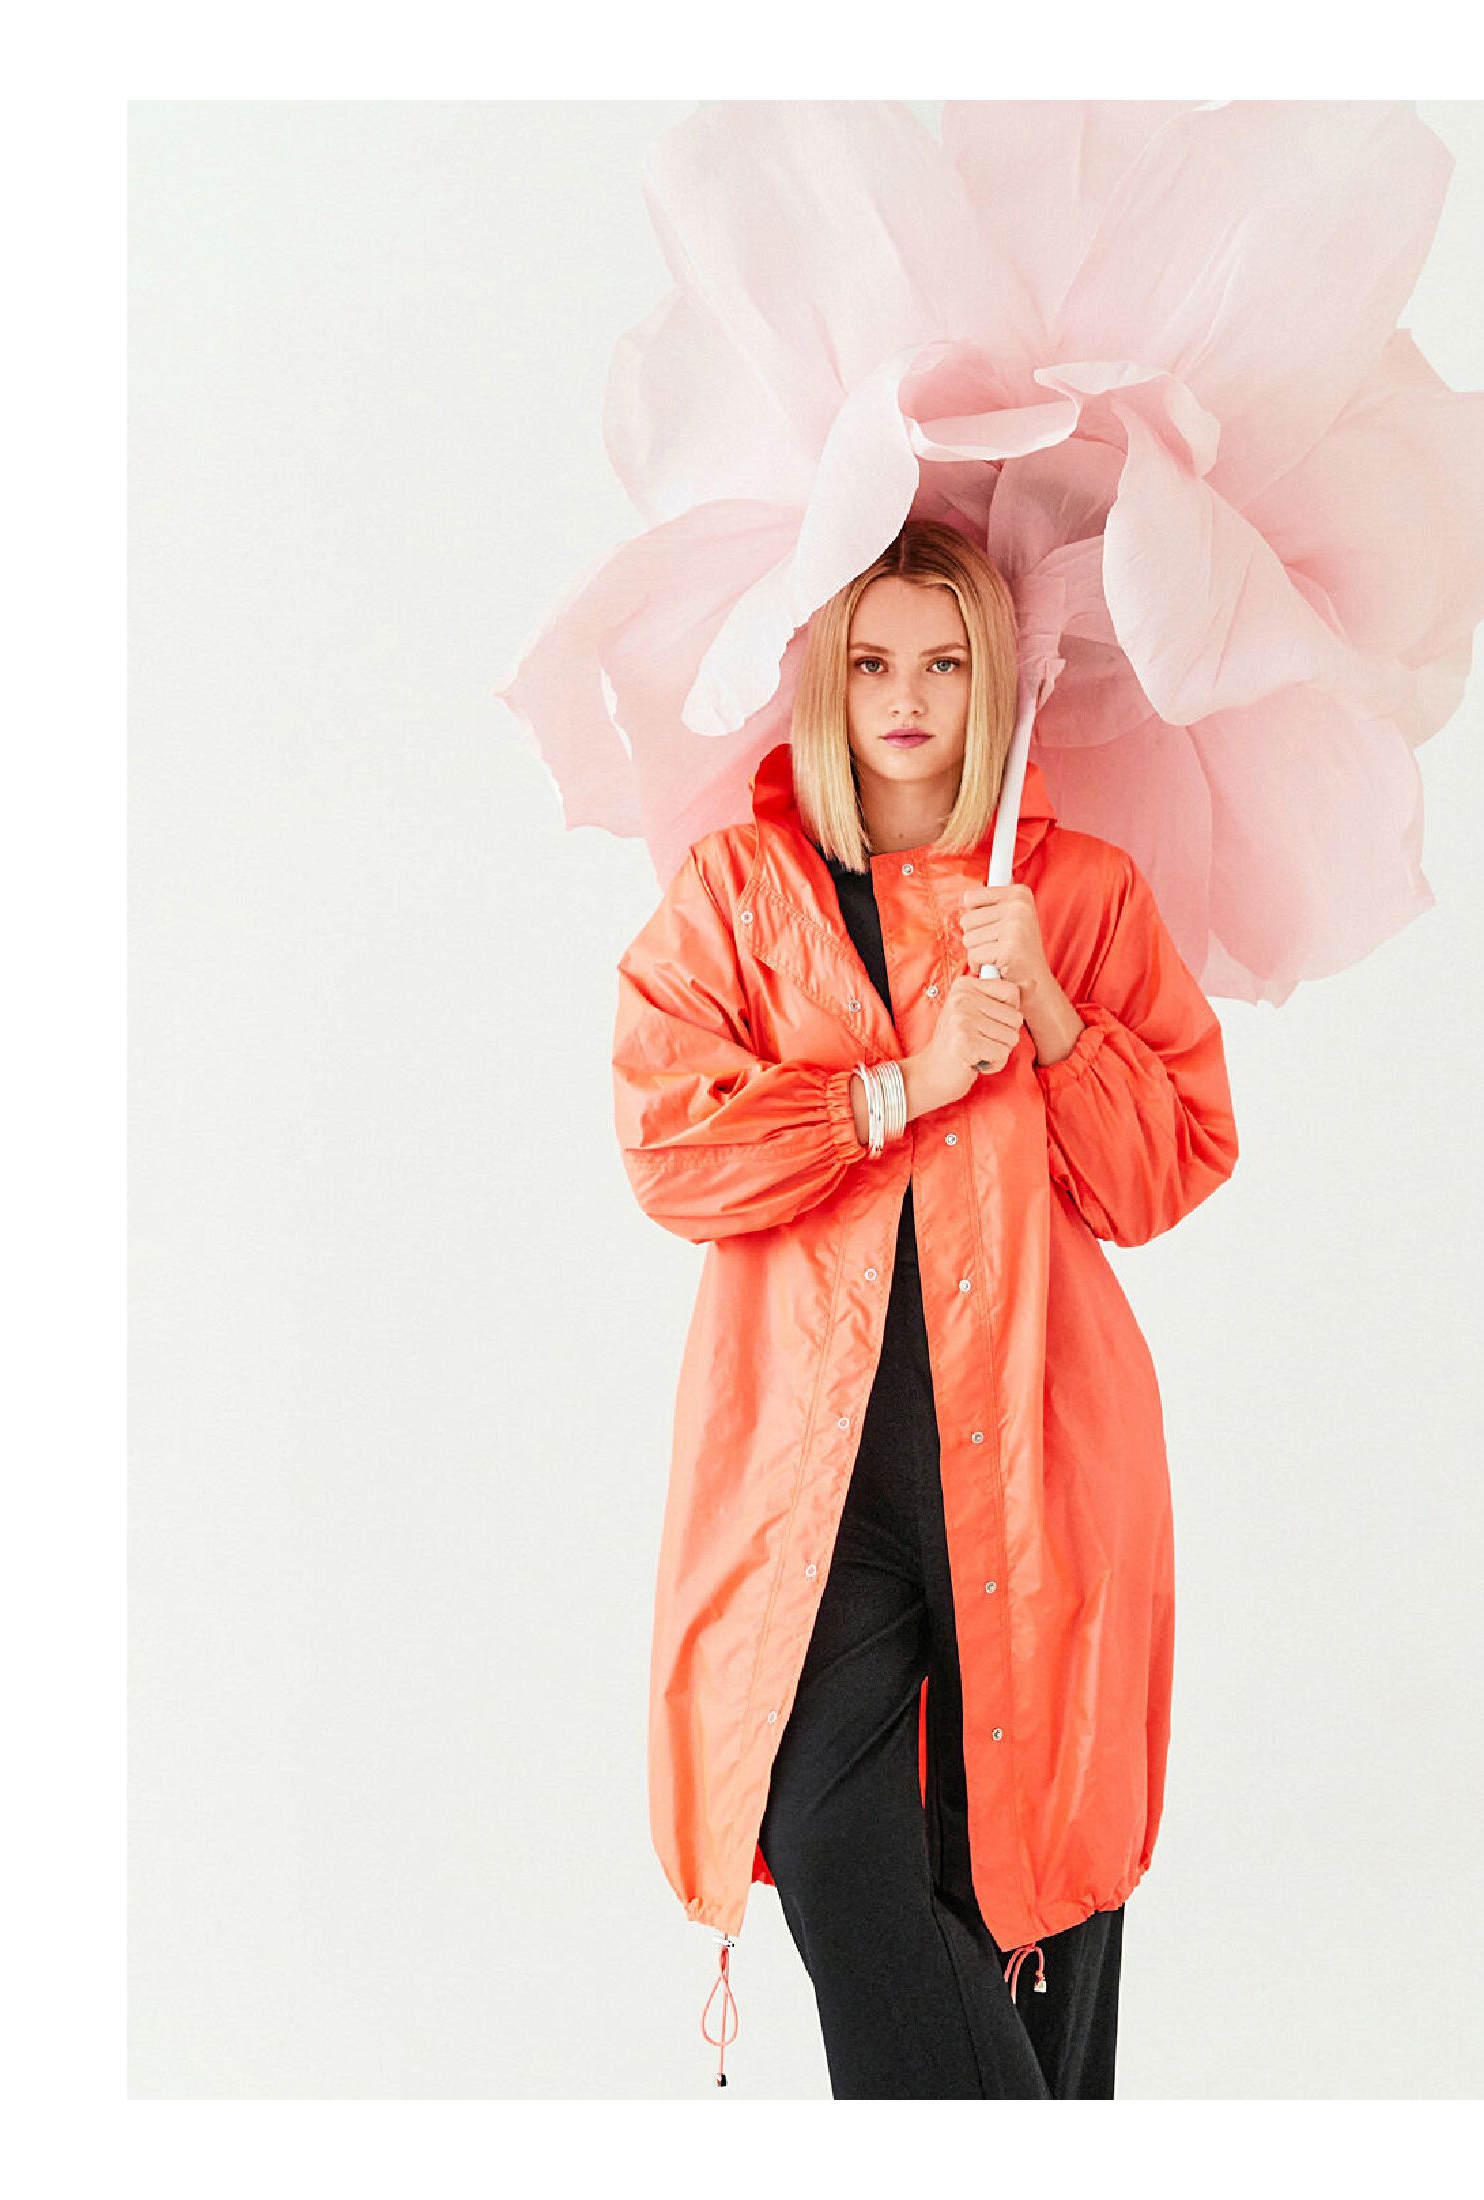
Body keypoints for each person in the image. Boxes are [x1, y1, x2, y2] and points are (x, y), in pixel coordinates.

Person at [611, 518, 1239, 2096]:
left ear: (994, 683)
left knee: (1036, 1884)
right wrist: (896, 1084)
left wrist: (1054, 1017)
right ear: (826, 680)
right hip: (816, 1495)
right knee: (835, 1838)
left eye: (946, 664)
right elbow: (672, 1148)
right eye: (875, 661)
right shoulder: (741, 895)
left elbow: (1166, 1172)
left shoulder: (1075, 897)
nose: (907, 699)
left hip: (1036, 1461)